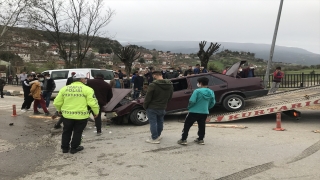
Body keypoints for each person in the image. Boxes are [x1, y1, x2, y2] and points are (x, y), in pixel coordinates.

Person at [53, 72, 99, 154]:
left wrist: (59, 110)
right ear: (81, 79)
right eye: (85, 79)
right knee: (78, 132)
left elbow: (57, 102)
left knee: (66, 131)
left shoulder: (65, 88)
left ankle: (65, 148)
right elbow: (93, 103)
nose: (85, 80)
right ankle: (74, 148)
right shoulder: (88, 89)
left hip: (67, 115)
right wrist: (96, 112)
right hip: (81, 116)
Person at [177, 77, 216, 145]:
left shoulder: (197, 91)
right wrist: (207, 108)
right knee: (201, 125)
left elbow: (192, 101)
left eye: (198, 82)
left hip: (193, 111)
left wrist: (189, 107)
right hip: (204, 112)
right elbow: (213, 102)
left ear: (200, 83)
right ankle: (200, 139)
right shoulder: (211, 92)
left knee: (187, 125)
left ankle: (183, 139)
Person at [143, 71, 173, 144]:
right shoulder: (170, 84)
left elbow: (148, 97)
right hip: (162, 107)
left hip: (152, 107)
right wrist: (165, 103)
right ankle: (158, 135)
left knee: (153, 122)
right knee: (160, 122)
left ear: (155, 75)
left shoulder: (153, 85)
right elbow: (170, 96)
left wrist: (145, 105)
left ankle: (154, 138)